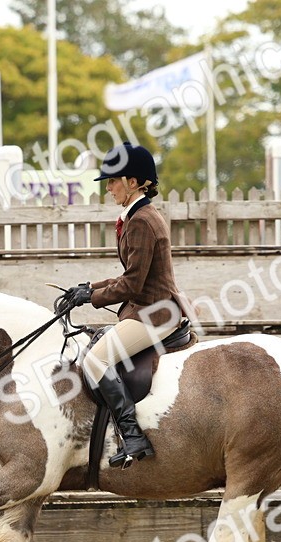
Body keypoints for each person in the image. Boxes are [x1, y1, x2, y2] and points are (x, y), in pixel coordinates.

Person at [64, 142, 192, 468]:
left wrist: (91, 299)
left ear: (133, 182)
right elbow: (131, 275)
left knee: (94, 360)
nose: (108, 189)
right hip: (149, 307)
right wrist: (88, 288)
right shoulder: (138, 216)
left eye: (113, 181)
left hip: (156, 313)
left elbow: (133, 284)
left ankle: (132, 435)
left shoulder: (142, 221)